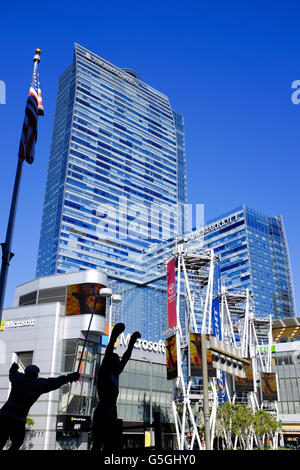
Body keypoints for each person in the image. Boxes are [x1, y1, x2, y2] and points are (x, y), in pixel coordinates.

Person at [0, 362, 80, 451]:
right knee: (17, 442)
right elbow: (55, 382)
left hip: (4, 415)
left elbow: (12, 373)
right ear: (36, 374)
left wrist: (14, 367)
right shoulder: (38, 384)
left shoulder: (18, 379)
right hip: (18, 418)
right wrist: (69, 377)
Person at [91, 323, 141, 451]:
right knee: (98, 445)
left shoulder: (115, 374)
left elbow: (126, 357)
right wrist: (115, 334)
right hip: (104, 412)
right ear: (110, 362)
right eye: (116, 359)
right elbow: (110, 351)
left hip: (111, 412)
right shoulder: (104, 372)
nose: (119, 361)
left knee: (110, 446)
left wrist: (132, 342)